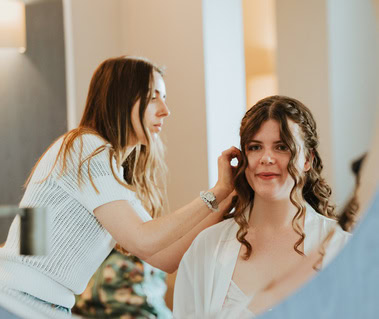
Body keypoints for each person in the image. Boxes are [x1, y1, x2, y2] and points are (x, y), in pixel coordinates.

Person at [0, 56, 238, 317]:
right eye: (153, 97)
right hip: (17, 300)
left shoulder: (112, 175)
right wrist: (215, 193)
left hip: (42, 305)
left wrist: (225, 199)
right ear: (122, 99)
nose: (165, 110)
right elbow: (144, 240)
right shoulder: (84, 148)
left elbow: (166, 257)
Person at [173, 95, 351, 318]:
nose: (267, 158)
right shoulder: (207, 247)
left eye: (282, 147)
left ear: (308, 159)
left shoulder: (342, 248)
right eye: (255, 147)